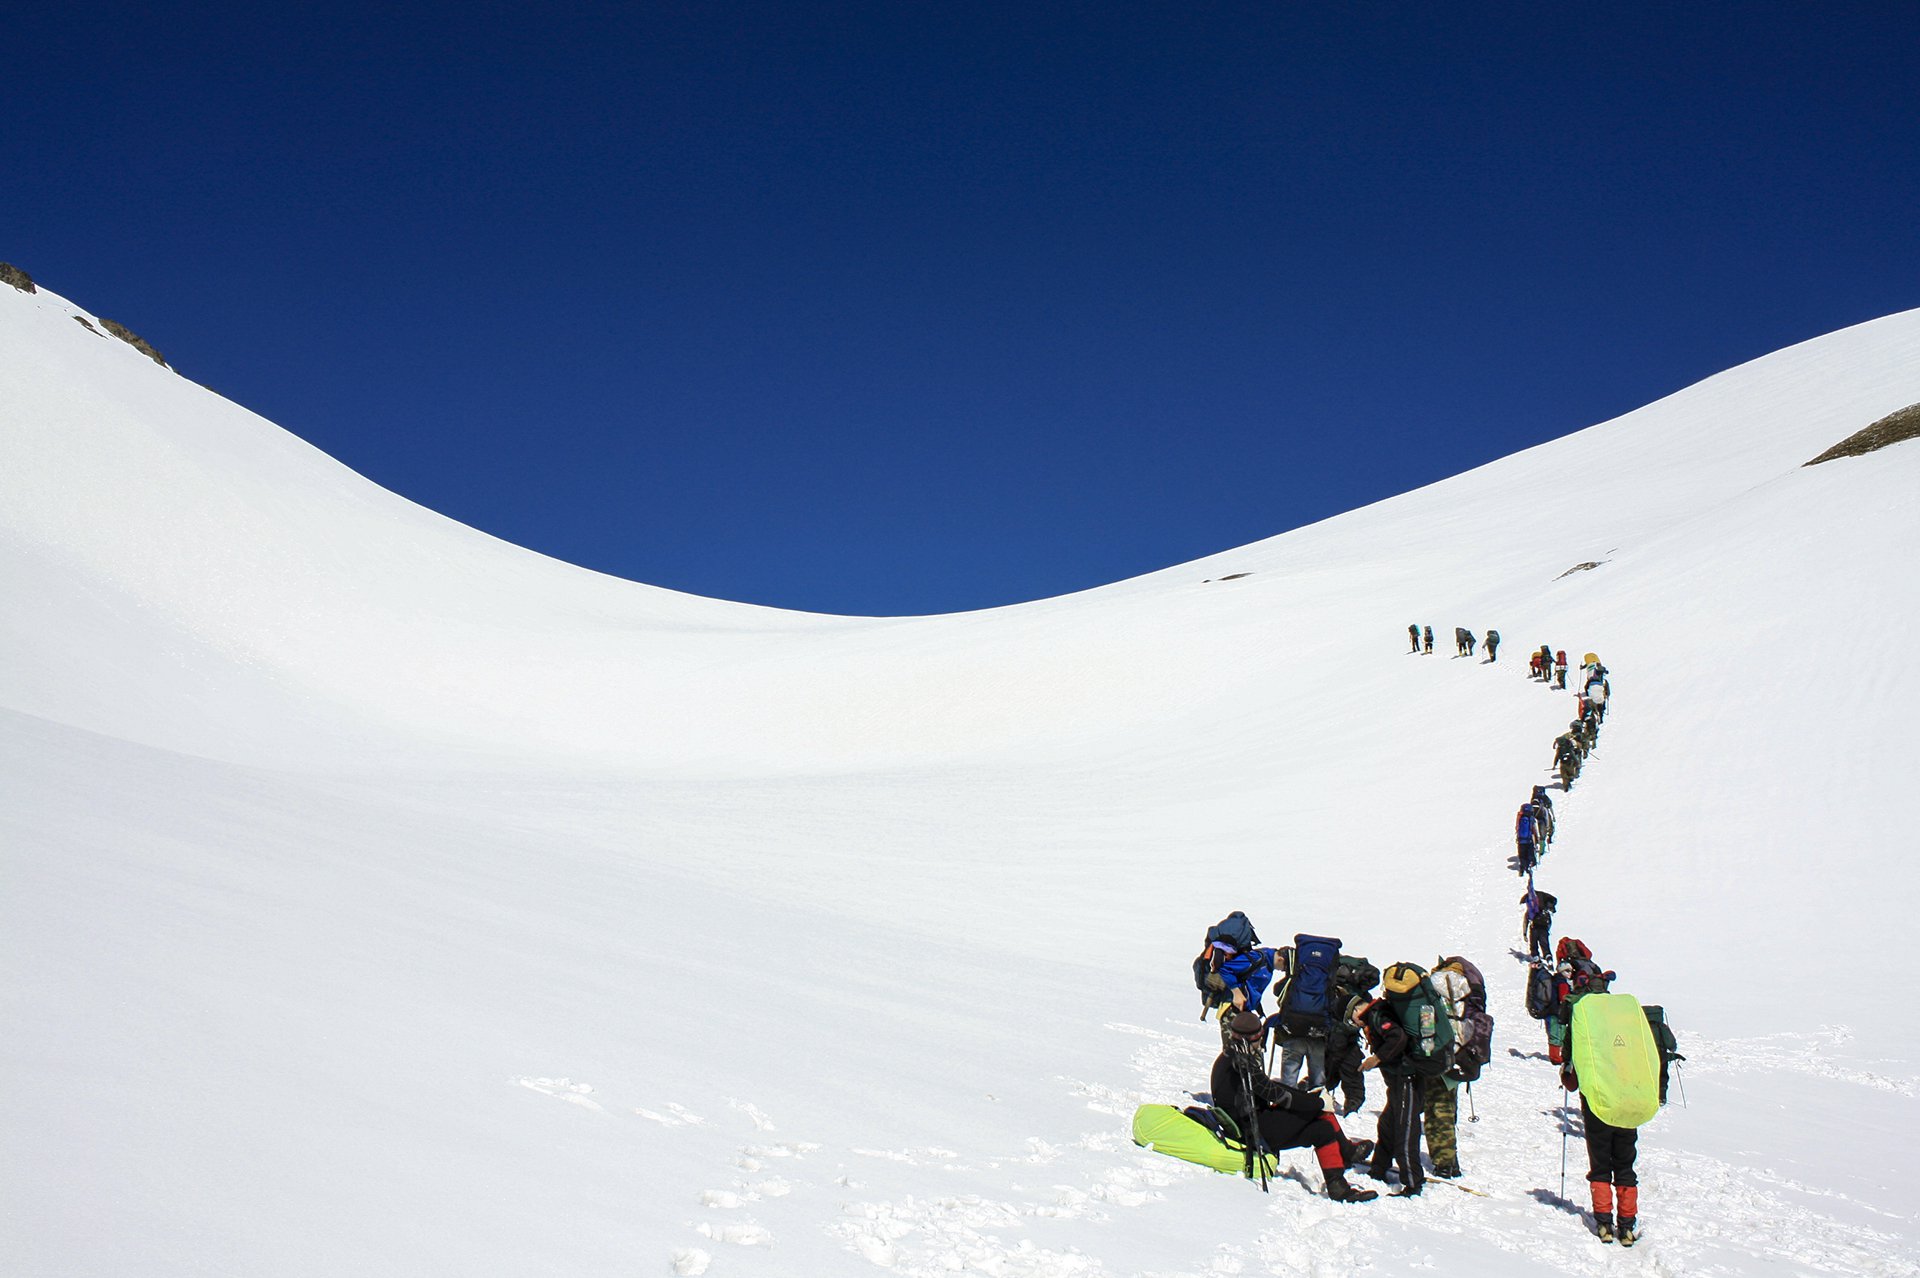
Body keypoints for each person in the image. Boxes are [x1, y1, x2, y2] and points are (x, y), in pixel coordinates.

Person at [1211, 1011, 1379, 1202]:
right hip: (1254, 1131)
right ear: (1254, 1038)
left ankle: (1340, 1177)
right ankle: (1344, 1161)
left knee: (1321, 1128)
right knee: (1319, 1118)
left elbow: (1268, 1087)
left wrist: (1307, 1097)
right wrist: (1317, 1103)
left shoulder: (1229, 1057)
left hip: (1247, 1125)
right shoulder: (1242, 1064)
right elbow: (1274, 1093)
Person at [1561, 990, 1642, 1244]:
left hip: (1597, 1105)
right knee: (1625, 1165)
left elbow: (1571, 1078)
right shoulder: (1627, 1030)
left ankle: (1605, 1223)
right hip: (1627, 1103)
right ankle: (1626, 1226)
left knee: (1600, 1163)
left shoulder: (1585, 1030)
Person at [1352, 996, 1425, 1195]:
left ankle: (1412, 1182)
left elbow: (1398, 1038)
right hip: (1397, 1081)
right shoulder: (1377, 1015)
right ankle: (1379, 1168)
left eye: (1352, 1019)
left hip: (1407, 1078)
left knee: (1405, 1128)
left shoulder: (1377, 1016)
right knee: (1387, 1124)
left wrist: (1376, 1058)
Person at [1422, 962, 1474, 1179]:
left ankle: (1444, 1162)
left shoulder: (1430, 990)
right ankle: (1451, 1160)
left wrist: (1424, 1056)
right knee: (1449, 1107)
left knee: (1436, 1110)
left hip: (1436, 1057)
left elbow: (1426, 1026)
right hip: (1459, 1057)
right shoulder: (1466, 991)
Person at [1522, 884, 1557, 961]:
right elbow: (1549, 922)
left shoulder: (1532, 910)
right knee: (1544, 944)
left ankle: (1535, 956)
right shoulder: (1545, 910)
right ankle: (1548, 956)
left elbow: (1526, 920)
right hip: (1544, 927)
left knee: (1533, 944)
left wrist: (1524, 933)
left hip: (1534, 926)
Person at [1515, 803, 1540, 875]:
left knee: (1522, 855)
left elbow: (1517, 827)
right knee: (1529, 853)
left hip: (1520, 840)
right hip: (1528, 840)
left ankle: (1522, 868)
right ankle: (1528, 866)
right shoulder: (1531, 818)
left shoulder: (1519, 817)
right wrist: (1536, 838)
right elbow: (1533, 829)